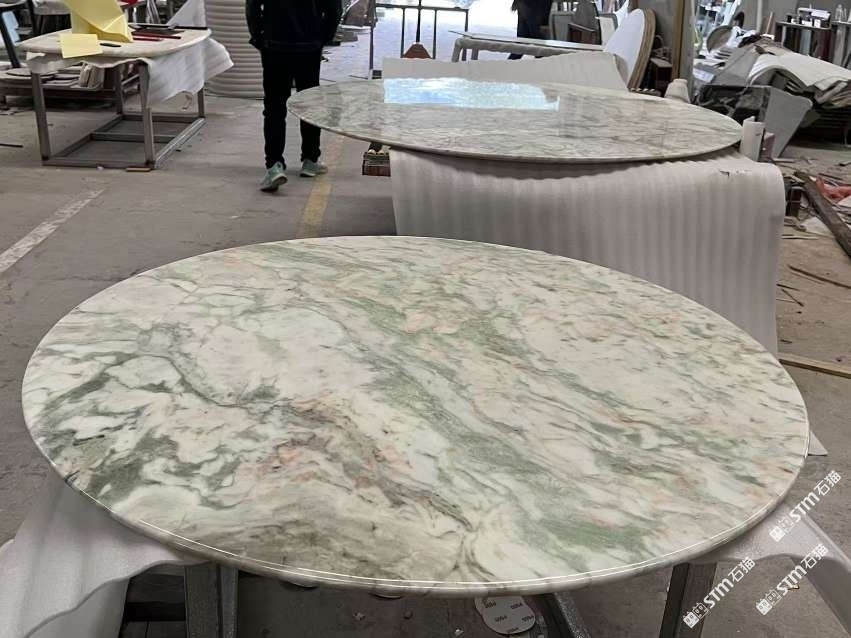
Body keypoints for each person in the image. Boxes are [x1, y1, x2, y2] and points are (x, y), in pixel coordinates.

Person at [246, 0, 342, 192]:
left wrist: (259, 37)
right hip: (309, 46)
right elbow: (334, 9)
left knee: (274, 107)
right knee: (310, 104)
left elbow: (253, 7)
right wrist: (322, 38)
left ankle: (274, 166)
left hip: (275, 46)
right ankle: (310, 160)